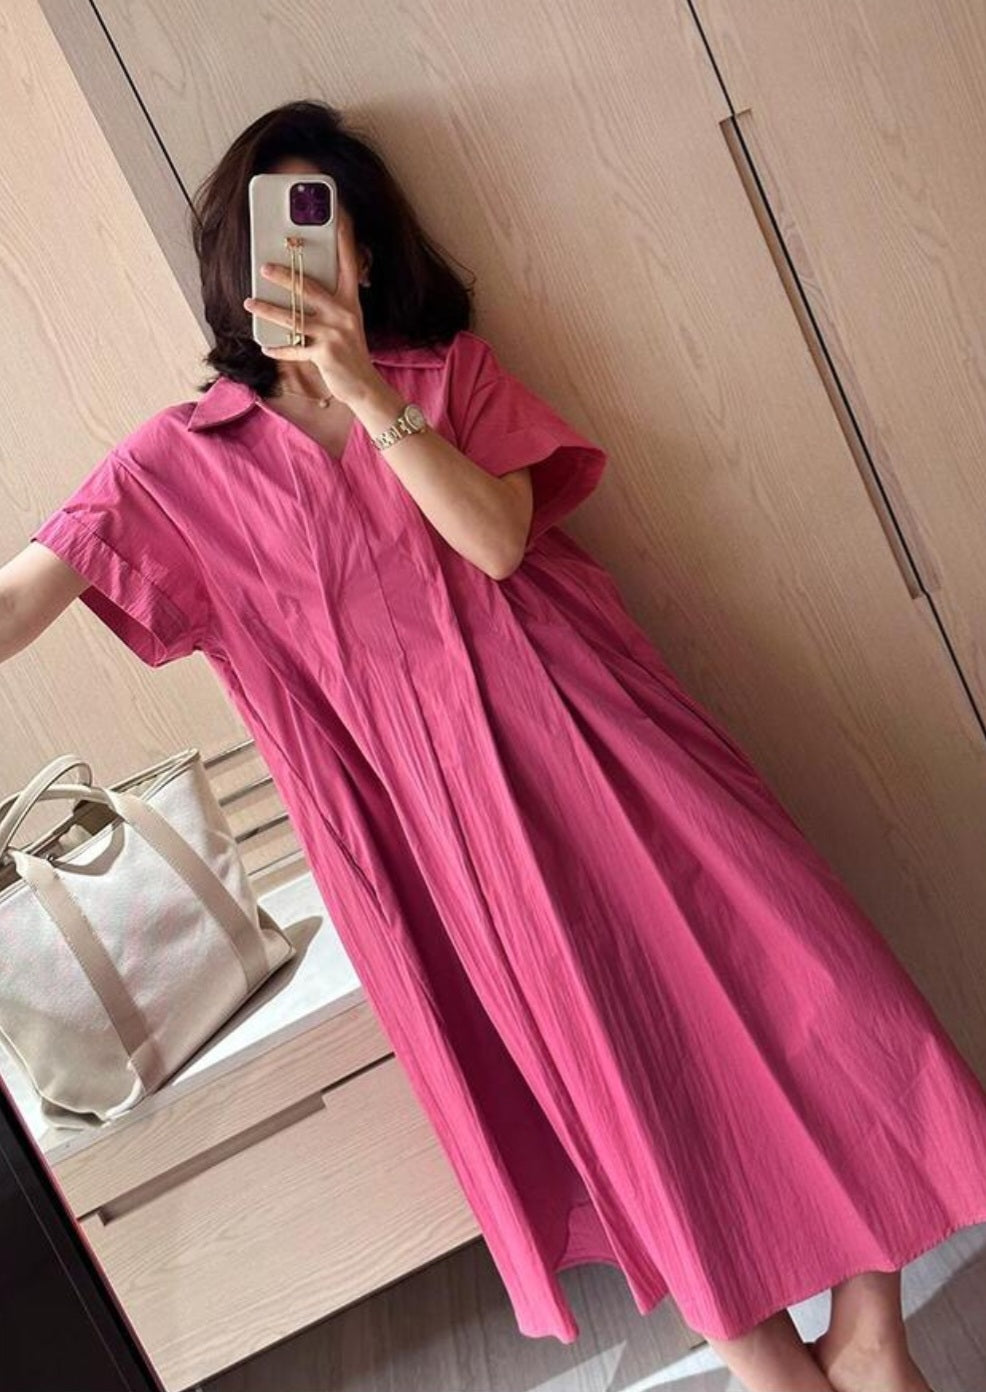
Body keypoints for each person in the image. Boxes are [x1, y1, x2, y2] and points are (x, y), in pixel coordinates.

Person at [1, 98, 982, 1392]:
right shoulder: (171, 465)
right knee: (608, 1082)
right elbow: (20, 602)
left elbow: (497, 543)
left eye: (320, 224)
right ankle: (769, 1370)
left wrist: (361, 386)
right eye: (266, 231)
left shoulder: (447, 376)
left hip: (606, 749)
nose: (294, 255)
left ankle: (869, 1337)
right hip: (432, 830)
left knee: (825, 991)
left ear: (363, 253)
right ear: (229, 268)